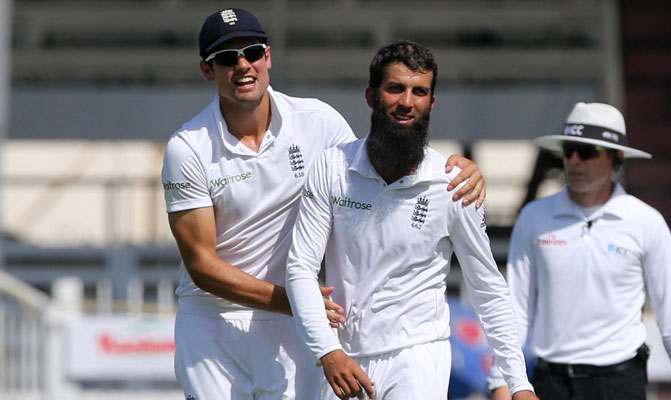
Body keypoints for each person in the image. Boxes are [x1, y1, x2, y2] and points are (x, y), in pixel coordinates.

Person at [161, 8, 487, 400]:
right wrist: (297, 301)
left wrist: (453, 169)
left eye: (252, 52)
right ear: (207, 69)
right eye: (227, 57)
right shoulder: (187, 147)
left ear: (267, 57)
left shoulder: (318, 120)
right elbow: (201, 265)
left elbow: (371, 175)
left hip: (295, 318)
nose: (243, 65)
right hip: (214, 320)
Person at [285, 40, 538, 400]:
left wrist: (519, 384)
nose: (407, 102)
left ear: (431, 103)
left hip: (419, 357)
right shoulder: (331, 167)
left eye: (419, 92)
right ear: (371, 96)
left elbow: (487, 287)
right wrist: (327, 350)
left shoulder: (453, 184)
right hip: (344, 357)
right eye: (395, 88)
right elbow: (300, 268)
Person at [489, 102, 671, 400]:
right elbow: (517, 307)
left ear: (616, 157)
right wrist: (500, 378)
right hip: (550, 382)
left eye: (587, 151)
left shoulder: (646, 222)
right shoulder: (534, 217)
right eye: (568, 150)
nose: (574, 160)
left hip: (619, 383)